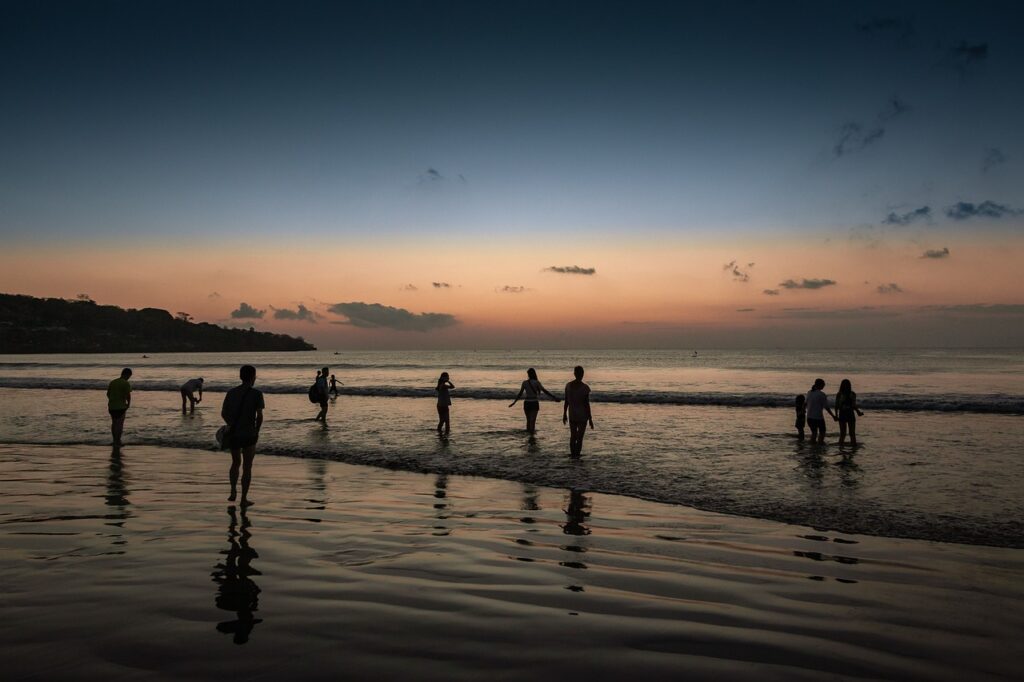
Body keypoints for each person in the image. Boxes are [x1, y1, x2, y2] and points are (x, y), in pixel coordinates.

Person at [221, 365, 264, 506]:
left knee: (235, 463)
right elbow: (260, 416)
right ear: (253, 377)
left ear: (240, 377)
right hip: (249, 434)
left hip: (234, 433)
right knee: (247, 466)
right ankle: (243, 499)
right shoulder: (257, 394)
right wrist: (257, 431)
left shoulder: (231, 393)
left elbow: (224, 413)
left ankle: (233, 491)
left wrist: (231, 424)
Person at [509, 368, 559, 433]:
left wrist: (514, 402)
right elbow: (545, 391)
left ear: (528, 374)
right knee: (533, 421)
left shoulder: (525, 382)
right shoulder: (537, 382)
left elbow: (520, 393)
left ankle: (528, 435)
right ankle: (531, 437)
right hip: (534, 403)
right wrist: (554, 397)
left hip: (526, 403)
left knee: (528, 421)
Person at [562, 366, 593, 457]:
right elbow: (586, 404)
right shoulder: (585, 388)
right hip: (582, 415)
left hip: (572, 414)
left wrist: (564, 414)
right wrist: (590, 418)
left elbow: (566, 401)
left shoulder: (568, 386)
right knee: (579, 438)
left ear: (574, 374)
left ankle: (573, 455)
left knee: (573, 436)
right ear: (582, 374)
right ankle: (577, 456)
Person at [805, 378, 837, 444]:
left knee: (814, 433)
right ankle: (819, 445)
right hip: (818, 417)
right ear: (820, 385)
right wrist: (833, 416)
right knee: (822, 432)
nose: (824, 386)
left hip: (809, 417)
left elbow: (805, 404)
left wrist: (802, 411)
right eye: (823, 385)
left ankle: (813, 446)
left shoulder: (809, 392)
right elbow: (826, 407)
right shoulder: (821, 394)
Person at [106, 368, 132, 447]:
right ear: (127, 374)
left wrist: (113, 400)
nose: (129, 378)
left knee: (114, 424)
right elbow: (128, 395)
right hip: (120, 406)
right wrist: (128, 404)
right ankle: (118, 441)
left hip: (111, 407)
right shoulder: (125, 383)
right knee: (120, 424)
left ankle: (114, 441)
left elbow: (108, 394)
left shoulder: (113, 382)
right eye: (129, 376)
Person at [835, 379, 865, 446]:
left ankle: (843, 448)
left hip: (846, 413)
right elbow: (837, 406)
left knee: (846, 433)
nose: (846, 386)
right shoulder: (844, 394)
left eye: (846, 385)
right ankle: (851, 448)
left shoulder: (843, 394)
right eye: (845, 385)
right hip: (846, 413)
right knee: (848, 433)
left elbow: (853, 405)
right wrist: (836, 415)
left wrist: (858, 412)